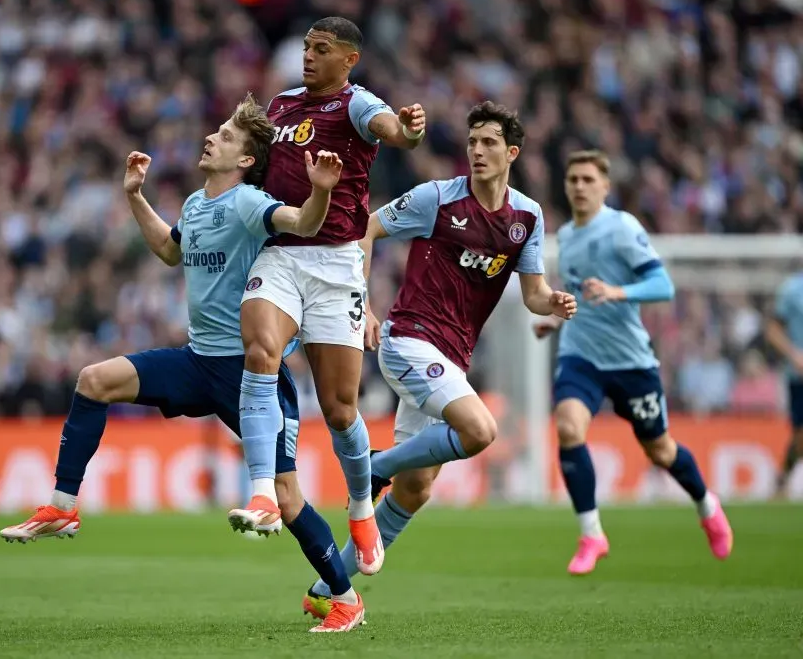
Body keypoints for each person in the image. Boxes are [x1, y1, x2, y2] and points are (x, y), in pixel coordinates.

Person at [0, 95, 367, 632]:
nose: (210, 138)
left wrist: (320, 191)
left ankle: (345, 597)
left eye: (224, 136)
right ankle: (62, 505)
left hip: (252, 374)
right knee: (94, 380)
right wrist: (135, 198)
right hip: (197, 361)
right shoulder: (196, 204)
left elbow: (304, 224)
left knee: (287, 499)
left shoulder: (248, 202)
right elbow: (172, 252)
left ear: (244, 159)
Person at [302, 101, 577, 618]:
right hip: (409, 339)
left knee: (418, 488)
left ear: (511, 152)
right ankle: (373, 467)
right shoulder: (437, 199)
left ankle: (327, 590)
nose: (477, 151)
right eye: (472, 142)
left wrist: (553, 302)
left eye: (489, 142)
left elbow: (534, 293)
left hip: (452, 357)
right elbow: (368, 227)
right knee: (479, 430)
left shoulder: (527, 217)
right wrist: (361, 306)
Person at [233, 16, 427, 577]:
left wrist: (409, 130)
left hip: (338, 265)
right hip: (281, 252)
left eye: (321, 50)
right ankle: (264, 491)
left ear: (349, 60)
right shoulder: (280, 105)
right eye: (306, 47)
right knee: (260, 351)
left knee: (341, 409)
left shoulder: (356, 104)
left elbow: (394, 130)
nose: (309, 57)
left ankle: (363, 509)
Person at [533, 149, 733, 575]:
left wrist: (618, 292)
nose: (580, 187)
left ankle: (706, 504)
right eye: (573, 180)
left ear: (605, 186)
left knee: (660, 450)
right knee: (568, 428)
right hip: (581, 354)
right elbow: (581, 293)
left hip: (630, 362)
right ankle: (592, 534)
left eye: (589, 179)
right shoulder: (566, 235)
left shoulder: (622, 228)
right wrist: (556, 321)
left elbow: (663, 285)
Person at [766, 270, 803, 499]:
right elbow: (773, 330)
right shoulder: (792, 289)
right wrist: (794, 355)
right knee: (800, 434)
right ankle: (783, 477)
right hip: (799, 375)